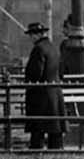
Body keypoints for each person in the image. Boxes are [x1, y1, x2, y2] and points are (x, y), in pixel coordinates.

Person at [23, 21, 64, 151]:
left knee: (38, 126)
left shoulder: (38, 49)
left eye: (31, 35)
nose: (30, 38)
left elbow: (35, 73)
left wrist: (28, 83)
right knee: (54, 127)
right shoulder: (52, 47)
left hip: (41, 94)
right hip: (55, 91)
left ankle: (36, 148)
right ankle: (56, 149)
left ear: (36, 35)